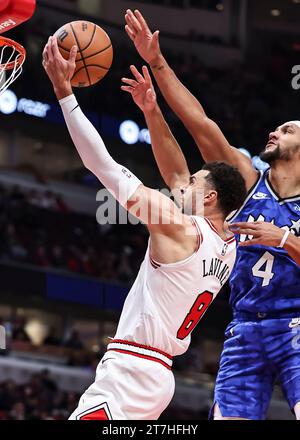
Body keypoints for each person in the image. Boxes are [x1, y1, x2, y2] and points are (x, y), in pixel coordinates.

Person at [42, 36, 246, 420]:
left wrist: (64, 93)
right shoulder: (229, 244)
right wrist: (152, 112)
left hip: (130, 371)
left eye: (192, 185)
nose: (181, 186)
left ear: (209, 199)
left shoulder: (177, 225)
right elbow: (176, 171)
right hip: (160, 375)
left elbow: (101, 165)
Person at [124, 9, 300, 420]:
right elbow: (198, 121)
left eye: (288, 130)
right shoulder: (248, 179)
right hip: (243, 327)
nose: (273, 133)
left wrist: (285, 241)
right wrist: (157, 61)